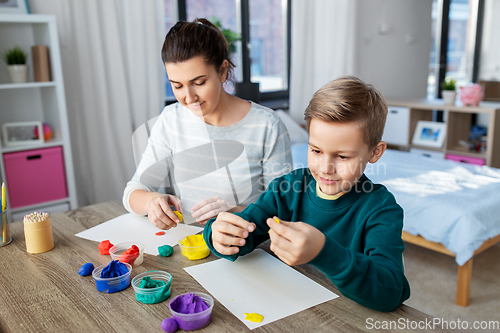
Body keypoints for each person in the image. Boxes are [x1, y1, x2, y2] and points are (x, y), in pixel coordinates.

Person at [203, 76, 411, 312]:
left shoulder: (381, 209)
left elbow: (391, 291)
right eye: (316, 150)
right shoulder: (288, 188)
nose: (325, 167)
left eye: (342, 156)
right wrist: (217, 233)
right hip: (286, 309)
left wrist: (324, 251)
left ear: (375, 152)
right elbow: (244, 232)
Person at [123, 18, 292, 228]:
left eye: (199, 83)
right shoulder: (170, 120)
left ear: (222, 71)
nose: (189, 97)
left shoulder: (267, 126)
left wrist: (238, 213)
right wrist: (151, 202)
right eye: (177, 86)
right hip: (190, 245)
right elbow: (134, 190)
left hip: (248, 247)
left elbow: (284, 209)